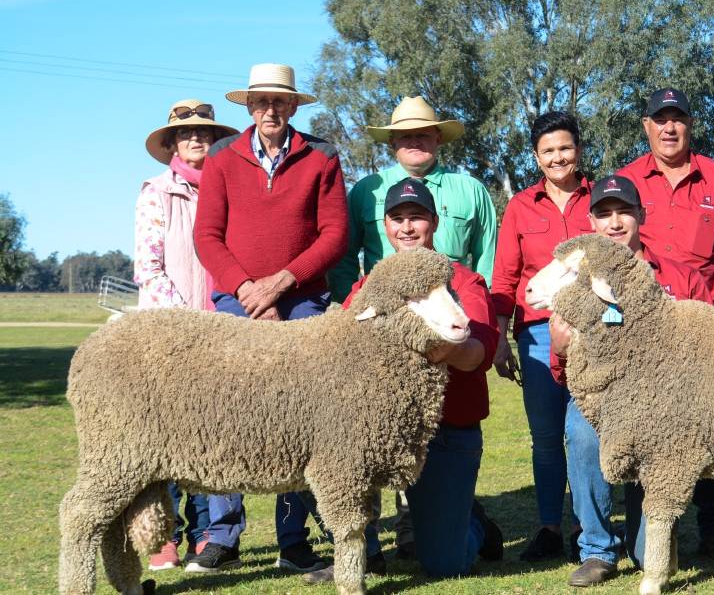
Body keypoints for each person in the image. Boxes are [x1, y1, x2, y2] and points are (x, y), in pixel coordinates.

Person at [304, 178, 503, 583]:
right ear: (386, 226)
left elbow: (475, 356)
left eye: (417, 218)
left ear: (434, 222)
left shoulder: (462, 281)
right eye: (398, 219)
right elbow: (342, 337)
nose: (407, 228)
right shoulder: (372, 284)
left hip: (447, 432)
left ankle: (473, 523)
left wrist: (424, 343)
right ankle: (358, 553)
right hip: (377, 428)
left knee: (444, 564)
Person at [191, 63, 349, 575]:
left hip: (302, 300)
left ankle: (293, 539)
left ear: (295, 106)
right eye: (261, 102)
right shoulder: (221, 157)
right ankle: (222, 534)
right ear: (248, 107)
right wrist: (245, 289)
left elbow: (333, 235)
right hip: (236, 301)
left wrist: (281, 283)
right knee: (223, 413)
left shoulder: (321, 156)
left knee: (301, 417)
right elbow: (207, 235)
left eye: (280, 102)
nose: (270, 110)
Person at [547, 175, 711, 586]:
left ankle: (654, 541)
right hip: (603, 404)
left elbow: (712, 345)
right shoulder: (573, 281)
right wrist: (562, 345)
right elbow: (560, 360)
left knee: (646, 556)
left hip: (669, 408)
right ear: (591, 222)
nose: (615, 222)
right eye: (604, 214)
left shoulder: (677, 275)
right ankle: (597, 548)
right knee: (581, 432)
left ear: (641, 215)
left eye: (624, 212)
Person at [614, 87, 714, 560]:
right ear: (646, 125)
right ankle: (647, 527)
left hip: (708, 324)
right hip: (643, 330)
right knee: (644, 424)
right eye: (659, 119)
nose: (669, 128)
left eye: (678, 119)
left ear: (690, 124)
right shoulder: (625, 180)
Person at [135, 98, 238, 570]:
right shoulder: (156, 192)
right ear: (173, 142)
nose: (197, 140)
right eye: (187, 134)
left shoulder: (232, 187)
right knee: (169, 435)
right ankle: (164, 534)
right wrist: (184, 326)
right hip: (172, 332)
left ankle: (215, 533)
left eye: (206, 134)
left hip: (226, 328)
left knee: (223, 433)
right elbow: (149, 268)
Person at [490, 111, 593, 562]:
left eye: (565, 148)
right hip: (535, 335)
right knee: (547, 437)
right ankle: (550, 526)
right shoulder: (519, 207)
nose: (558, 157)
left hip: (592, 333)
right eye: (548, 150)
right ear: (536, 157)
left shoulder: (600, 198)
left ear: (579, 150)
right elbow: (505, 277)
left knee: (589, 431)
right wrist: (497, 336)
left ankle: (588, 528)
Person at [329, 95, 497, 302]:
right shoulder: (367, 190)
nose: (415, 142)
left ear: (438, 138)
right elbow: (343, 257)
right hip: (384, 310)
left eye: (423, 135)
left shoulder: (471, 190)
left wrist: (482, 308)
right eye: (406, 136)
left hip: (453, 307)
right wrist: (353, 304)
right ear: (392, 142)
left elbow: (488, 259)